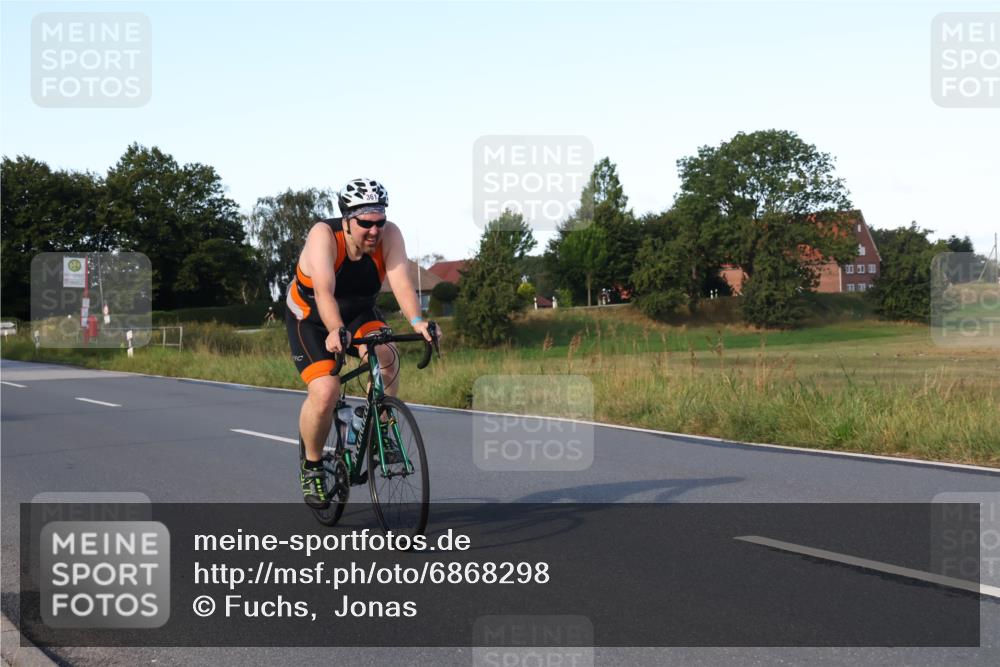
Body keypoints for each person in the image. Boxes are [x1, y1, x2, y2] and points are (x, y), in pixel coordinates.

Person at [285, 178, 438, 508]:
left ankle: (374, 426)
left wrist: (418, 322)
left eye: (379, 222)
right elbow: (324, 292)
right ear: (347, 219)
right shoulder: (324, 236)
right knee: (325, 390)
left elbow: (401, 283)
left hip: (358, 311)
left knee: (388, 355)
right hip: (311, 316)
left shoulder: (390, 235)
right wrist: (335, 329)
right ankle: (312, 466)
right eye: (366, 223)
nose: (374, 230)